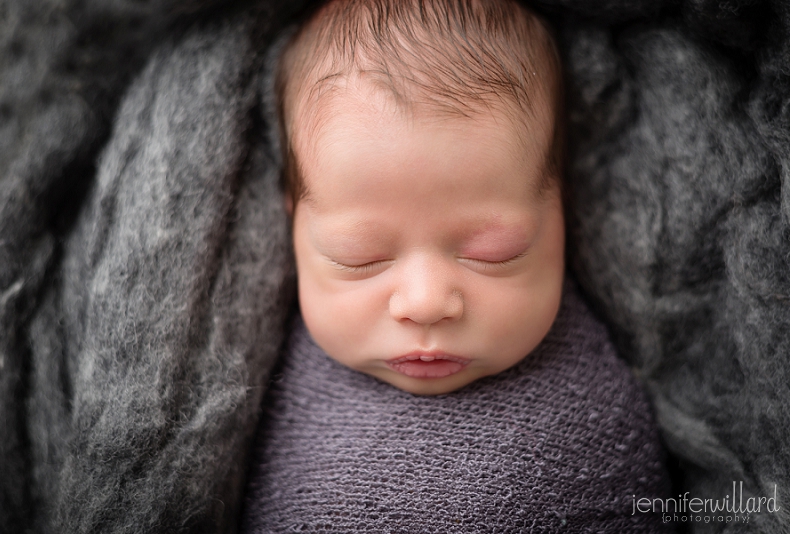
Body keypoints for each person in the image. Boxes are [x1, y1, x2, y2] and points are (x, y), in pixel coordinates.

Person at [241, 0, 672, 531]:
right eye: (361, 256)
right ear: (293, 215)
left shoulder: (605, 408)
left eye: (494, 252)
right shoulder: (249, 385)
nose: (425, 303)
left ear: (563, 204)